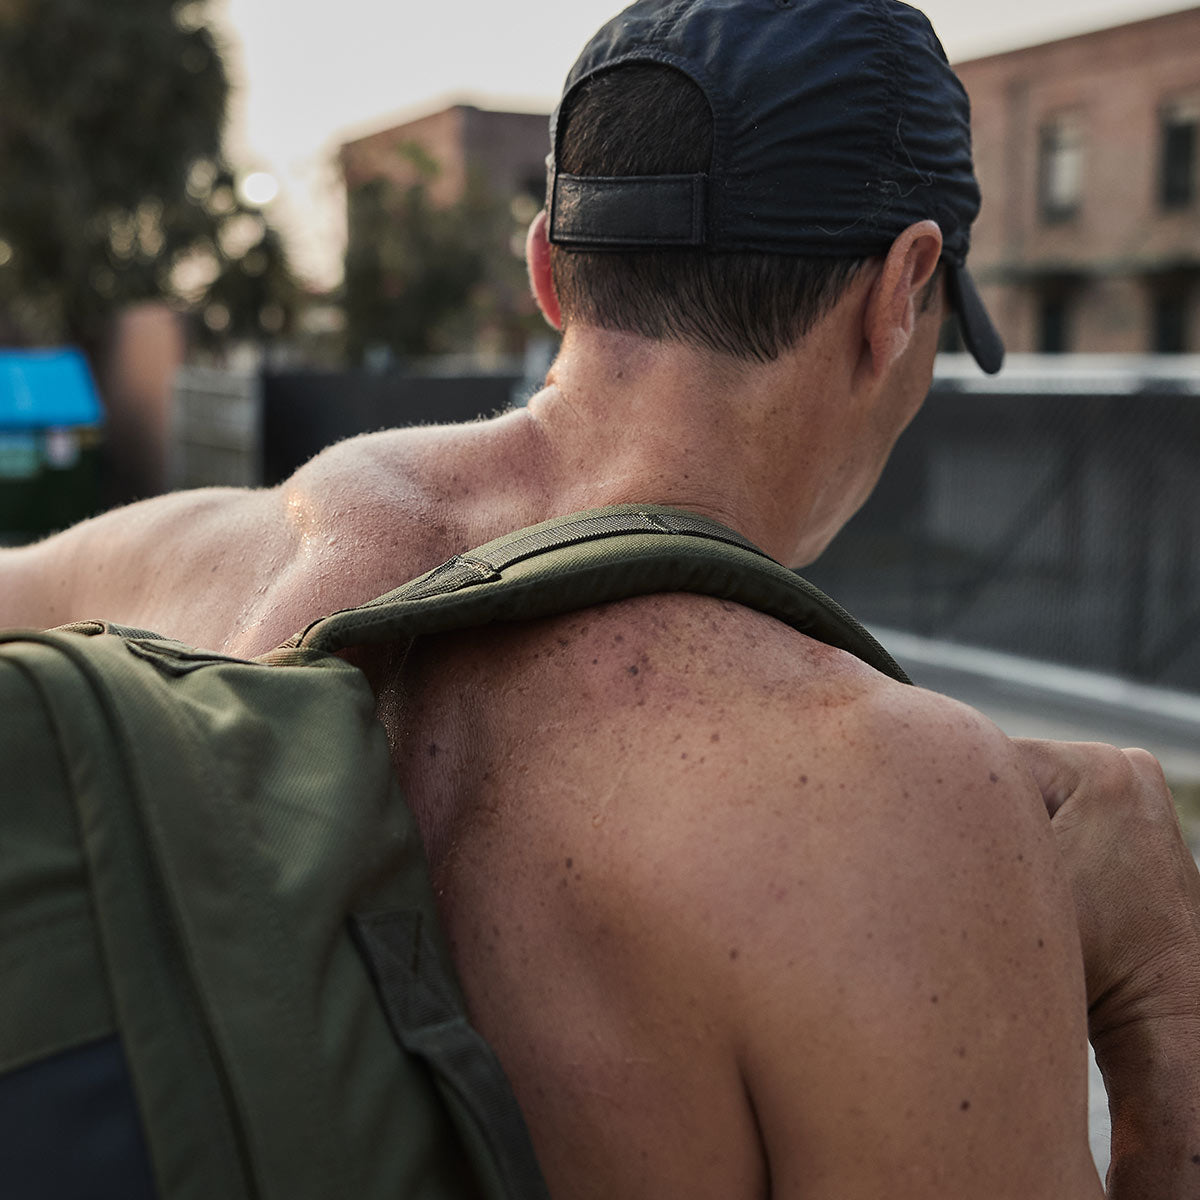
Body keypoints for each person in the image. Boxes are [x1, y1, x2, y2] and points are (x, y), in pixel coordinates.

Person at [4, 1, 1200, 1195]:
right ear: (905, 290)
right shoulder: (901, 814)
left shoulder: (166, 563)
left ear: (549, 271)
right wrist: (1162, 1006)